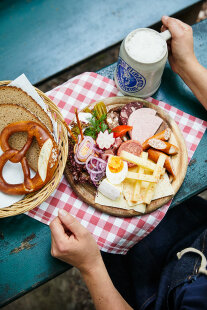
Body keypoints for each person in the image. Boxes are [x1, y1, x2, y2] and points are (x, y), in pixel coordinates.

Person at [50, 16, 207, 310]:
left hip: (151, 290)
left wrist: (91, 266)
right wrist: (188, 66)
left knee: (114, 255)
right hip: (195, 226)